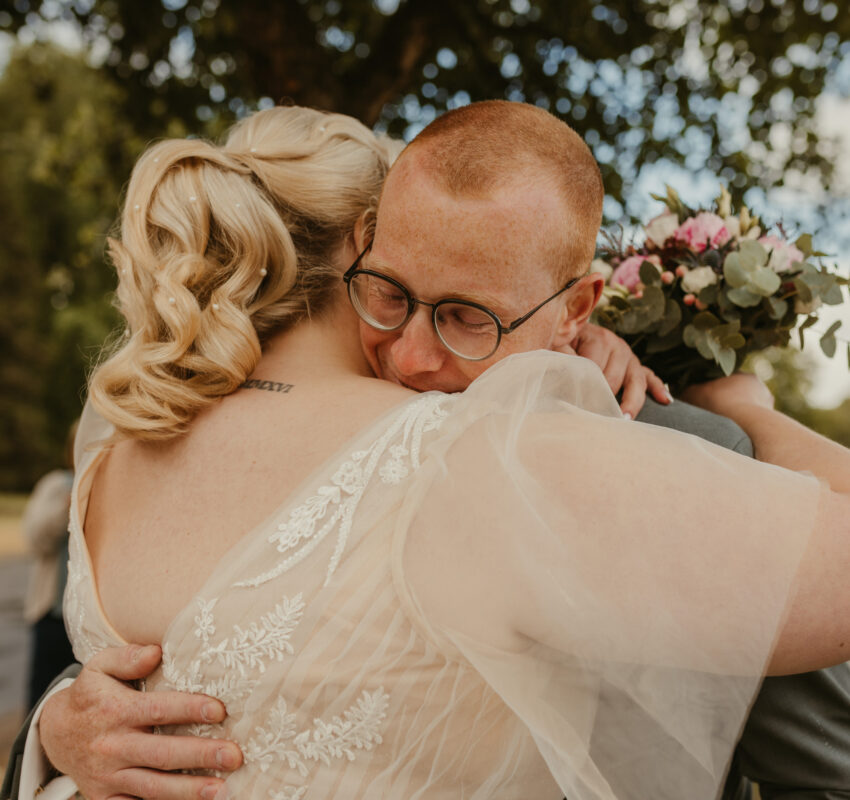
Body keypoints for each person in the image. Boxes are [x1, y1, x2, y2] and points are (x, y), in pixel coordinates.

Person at [9, 102, 850, 800]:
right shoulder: (467, 454)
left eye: (468, 316)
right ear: (364, 240)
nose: (413, 355)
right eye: (389, 294)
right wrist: (56, 728)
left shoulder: (122, 451)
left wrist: (738, 420)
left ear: (577, 308)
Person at [21, 420, 78, 709]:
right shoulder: (56, 485)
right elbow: (35, 539)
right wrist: (66, 506)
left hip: (83, 619)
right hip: (51, 612)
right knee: (41, 693)